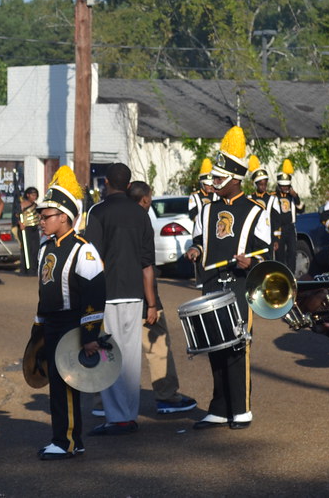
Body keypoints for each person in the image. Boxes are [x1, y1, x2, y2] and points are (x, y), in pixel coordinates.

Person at [184, 126, 271, 430]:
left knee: (237, 345)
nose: (215, 184)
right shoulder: (206, 211)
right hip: (210, 283)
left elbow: (267, 254)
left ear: (236, 179)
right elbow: (198, 239)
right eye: (215, 178)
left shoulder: (256, 211)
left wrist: (253, 261)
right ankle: (219, 408)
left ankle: (241, 408)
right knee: (214, 346)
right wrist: (194, 250)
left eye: (220, 179)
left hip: (239, 284)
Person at [33, 165, 105, 459]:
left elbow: (95, 296)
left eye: (46, 215)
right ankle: (63, 437)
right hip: (51, 323)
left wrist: (90, 335)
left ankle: (69, 442)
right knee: (56, 385)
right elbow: (44, 291)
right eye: (40, 215)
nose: (40, 220)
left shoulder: (84, 250)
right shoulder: (45, 248)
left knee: (67, 386)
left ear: (64, 216)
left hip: (72, 325)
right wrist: (38, 326)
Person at [83, 162, 156, 437]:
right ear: (127, 185)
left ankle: (116, 419)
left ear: (106, 183)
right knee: (131, 358)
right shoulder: (141, 214)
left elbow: (92, 257)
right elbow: (147, 263)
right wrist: (152, 303)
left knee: (108, 355)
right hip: (135, 294)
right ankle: (129, 414)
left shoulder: (98, 211)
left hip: (108, 294)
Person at [128, 180, 197, 415]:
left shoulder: (107, 215)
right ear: (146, 200)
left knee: (114, 348)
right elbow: (146, 266)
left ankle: (103, 401)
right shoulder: (142, 219)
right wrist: (153, 303)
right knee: (157, 344)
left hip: (114, 294)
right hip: (141, 292)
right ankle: (166, 396)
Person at [269, 159, 303, 271]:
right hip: (279, 228)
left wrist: (296, 196)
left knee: (292, 252)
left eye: (287, 186)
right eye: (283, 186)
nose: (285, 188)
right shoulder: (273, 196)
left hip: (290, 227)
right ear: (278, 185)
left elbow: (301, 209)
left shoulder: (292, 196)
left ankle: (292, 275)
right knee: (280, 254)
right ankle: (281, 273)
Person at [18, 186, 41, 276]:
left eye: (35, 195)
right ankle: (24, 269)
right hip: (25, 229)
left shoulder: (36, 206)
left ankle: (33, 269)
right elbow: (17, 215)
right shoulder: (22, 205)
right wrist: (20, 224)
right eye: (32, 195)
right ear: (28, 195)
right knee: (26, 249)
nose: (34, 197)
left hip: (34, 228)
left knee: (35, 249)